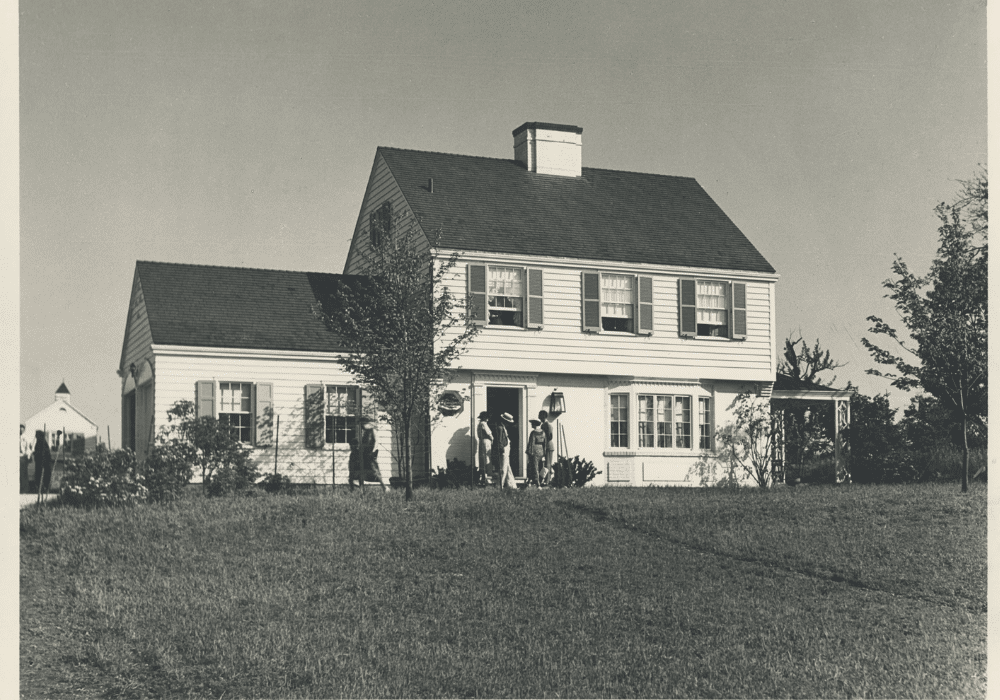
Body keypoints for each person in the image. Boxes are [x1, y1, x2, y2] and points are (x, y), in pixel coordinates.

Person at [359, 418, 390, 492]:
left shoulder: (372, 430)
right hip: (365, 454)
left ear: (367, 424)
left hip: (371, 454)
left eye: (363, 424)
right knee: (361, 471)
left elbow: (376, 442)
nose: (362, 426)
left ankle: (385, 487)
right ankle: (361, 489)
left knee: (375, 471)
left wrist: (373, 451)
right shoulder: (365, 433)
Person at [495, 413, 516, 489]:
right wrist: (501, 448)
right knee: (503, 467)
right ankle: (500, 485)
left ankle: (512, 485)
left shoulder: (503, 427)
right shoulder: (500, 428)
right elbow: (499, 439)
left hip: (506, 446)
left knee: (507, 466)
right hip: (504, 447)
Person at [525, 419, 546, 487]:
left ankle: (537, 483)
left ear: (534, 424)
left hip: (534, 451)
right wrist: (544, 453)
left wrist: (529, 452)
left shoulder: (533, 433)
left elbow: (531, 443)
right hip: (541, 450)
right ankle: (533, 481)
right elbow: (545, 443)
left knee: (534, 467)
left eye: (532, 424)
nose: (531, 425)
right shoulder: (543, 432)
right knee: (539, 467)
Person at [538, 410, 555, 486]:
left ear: (544, 416)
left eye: (540, 415)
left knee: (548, 464)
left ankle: (547, 481)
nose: (539, 417)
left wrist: (544, 440)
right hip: (544, 446)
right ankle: (544, 479)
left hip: (548, 446)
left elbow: (550, 436)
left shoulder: (548, 425)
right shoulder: (542, 425)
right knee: (545, 464)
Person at [476, 411, 493, 486]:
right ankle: (487, 477)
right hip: (486, 441)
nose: (488, 419)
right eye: (487, 417)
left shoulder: (479, 424)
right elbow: (488, 433)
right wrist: (492, 438)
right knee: (487, 458)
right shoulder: (483, 424)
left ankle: (484, 477)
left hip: (482, 441)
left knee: (483, 459)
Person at [20, 425, 34, 494]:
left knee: (24, 474)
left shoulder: (26, 438)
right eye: (19, 430)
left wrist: (28, 456)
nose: (20, 431)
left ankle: (24, 490)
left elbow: (29, 448)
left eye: (22, 430)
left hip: (23, 457)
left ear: (24, 430)